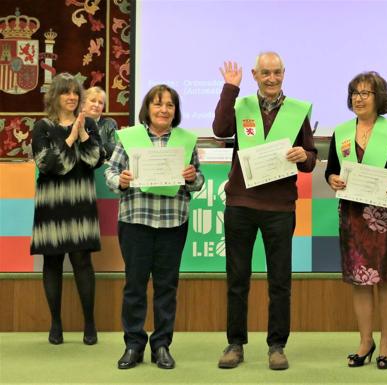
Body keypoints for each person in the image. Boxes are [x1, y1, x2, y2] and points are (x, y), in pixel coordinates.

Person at [213, 52, 317, 370]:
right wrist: (230, 88)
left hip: (279, 207)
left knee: (280, 281)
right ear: (256, 75)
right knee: (237, 279)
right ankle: (235, 343)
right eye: (265, 73)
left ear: (284, 74)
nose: (271, 79)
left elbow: (311, 158)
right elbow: (219, 129)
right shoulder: (241, 105)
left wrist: (304, 155)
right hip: (241, 204)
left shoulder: (297, 111)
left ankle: (277, 346)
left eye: (277, 73)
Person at [105, 84, 204, 370]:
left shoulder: (186, 140)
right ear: (147, 109)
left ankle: (161, 345)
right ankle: (133, 345)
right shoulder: (129, 138)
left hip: (173, 223)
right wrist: (120, 180)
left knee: (166, 287)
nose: (164, 110)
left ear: (176, 111)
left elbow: (198, 182)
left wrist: (191, 176)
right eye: (158, 104)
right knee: (134, 286)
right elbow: (111, 172)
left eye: (170, 105)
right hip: (135, 221)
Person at [325, 71, 387, 369]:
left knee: (386, 280)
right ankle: (365, 341)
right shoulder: (342, 132)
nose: (358, 98)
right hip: (353, 217)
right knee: (359, 281)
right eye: (355, 93)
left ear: (379, 98)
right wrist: (332, 179)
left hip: (386, 216)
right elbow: (332, 171)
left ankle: (386, 342)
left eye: (365, 93)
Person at [30, 72, 104, 345]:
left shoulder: (90, 125)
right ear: (55, 96)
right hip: (52, 204)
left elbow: (95, 160)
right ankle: (56, 324)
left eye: (75, 92)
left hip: (80, 201)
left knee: (83, 262)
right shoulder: (43, 128)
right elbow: (48, 165)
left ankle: (89, 324)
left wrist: (83, 133)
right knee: (52, 262)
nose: (72, 97)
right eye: (66, 92)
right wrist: (70, 139)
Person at [83, 86, 118, 159]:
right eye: (93, 101)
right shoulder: (75, 123)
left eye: (100, 103)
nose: (96, 105)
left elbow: (114, 150)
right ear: (83, 103)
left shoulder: (109, 123)